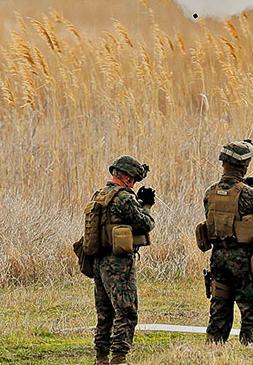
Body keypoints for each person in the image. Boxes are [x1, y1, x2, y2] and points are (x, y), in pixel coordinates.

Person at [202, 140, 253, 345]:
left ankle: (214, 346)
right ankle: (251, 348)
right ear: (244, 168)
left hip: (218, 258)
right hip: (244, 259)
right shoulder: (250, 195)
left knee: (220, 306)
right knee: (252, 308)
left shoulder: (210, 193)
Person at [89, 155, 155, 365]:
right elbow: (145, 224)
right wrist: (146, 206)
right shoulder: (124, 198)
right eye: (134, 179)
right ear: (126, 177)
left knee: (105, 312)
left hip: (99, 262)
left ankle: (101, 358)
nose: (134, 184)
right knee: (126, 310)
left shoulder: (100, 194)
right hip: (118, 263)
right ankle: (119, 358)